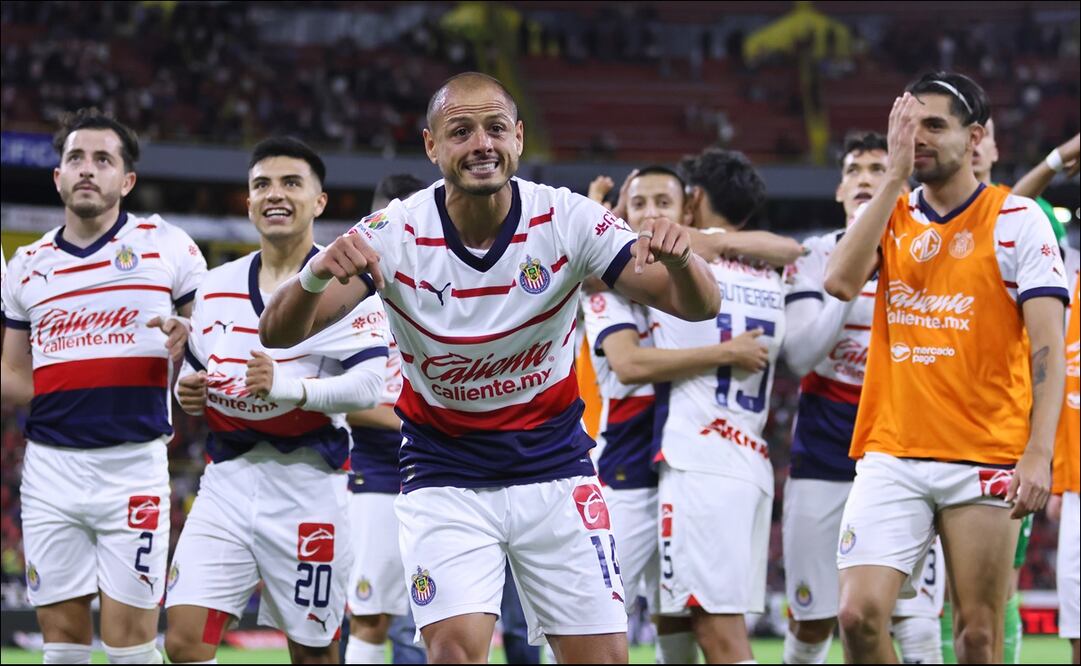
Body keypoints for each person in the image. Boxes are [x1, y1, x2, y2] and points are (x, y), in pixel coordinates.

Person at [259, 71, 721, 664]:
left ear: (520, 138)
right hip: (444, 475)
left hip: (555, 472)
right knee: (454, 656)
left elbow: (699, 305)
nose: (481, 143)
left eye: (495, 128)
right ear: (432, 146)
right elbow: (278, 332)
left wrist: (683, 260)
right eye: (461, 131)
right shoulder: (396, 232)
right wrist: (317, 272)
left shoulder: (568, 220)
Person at [824, 72, 1068, 663]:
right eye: (909, 128)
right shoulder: (894, 212)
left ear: (974, 135)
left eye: (934, 125)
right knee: (857, 617)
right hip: (892, 450)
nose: (920, 139)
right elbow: (837, 281)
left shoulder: (1018, 219)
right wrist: (891, 177)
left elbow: (1047, 348)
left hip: (984, 453)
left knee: (977, 636)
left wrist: (1039, 452)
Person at [163, 137, 390, 664]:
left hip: (310, 489)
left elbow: (367, 388)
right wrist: (187, 392)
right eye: (261, 184)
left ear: (319, 202)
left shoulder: (345, 287)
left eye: (292, 183)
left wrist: (287, 387)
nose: (275, 194)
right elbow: (199, 372)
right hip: (226, 483)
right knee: (183, 642)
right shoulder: (215, 285)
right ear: (247, 202)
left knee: (313, 653)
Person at [0, 108, 205, 665]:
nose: (87, 169)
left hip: (133, 470)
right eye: (75, 159)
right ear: (58, 177)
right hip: (50, 473)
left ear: (126, 180)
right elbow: (15, 378)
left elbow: (215, 349)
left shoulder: (170, 247)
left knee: (131, 648)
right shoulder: (25, 267)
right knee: (62, 649)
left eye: (103, 159)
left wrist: (191, 342)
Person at [582, 165, 799, 664]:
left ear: (687, 210)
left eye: (664, 203)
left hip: (681, 464)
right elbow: (630, 363)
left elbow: (789, 249)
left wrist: (710, 243)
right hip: (623, 471)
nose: (652, 213)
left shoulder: (693, 274)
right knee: (592, 615)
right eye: (639, 204)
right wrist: (603, 219)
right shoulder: (606, 291)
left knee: (676, 617)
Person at [781, 131, 944, 664]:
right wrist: (847, 284)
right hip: (824, 453)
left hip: (907, 452)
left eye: (879, 167)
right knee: (812, 625)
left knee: (914, 622)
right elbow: (800, 356)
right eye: (854, 170)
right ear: (839, 190)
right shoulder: (812, 256)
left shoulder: (929, 249)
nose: (866, 179)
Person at [933, 118, 1074, 665]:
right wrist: (1054, 161)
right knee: (930, 597)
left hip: (997, 424)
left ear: (983, 144)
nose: (977, 141)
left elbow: (1011, 214)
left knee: (990, 596)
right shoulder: (926, 214)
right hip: (927, 422)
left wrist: (1052, 165)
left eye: (984, 133)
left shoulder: (1023, 222)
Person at [649, 148, 788, 664]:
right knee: (681, 617)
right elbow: (791, 249)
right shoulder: (769, 276)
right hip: (748, 457)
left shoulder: (683, 265)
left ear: (696, 198)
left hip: (701, 460)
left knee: (716, 632)